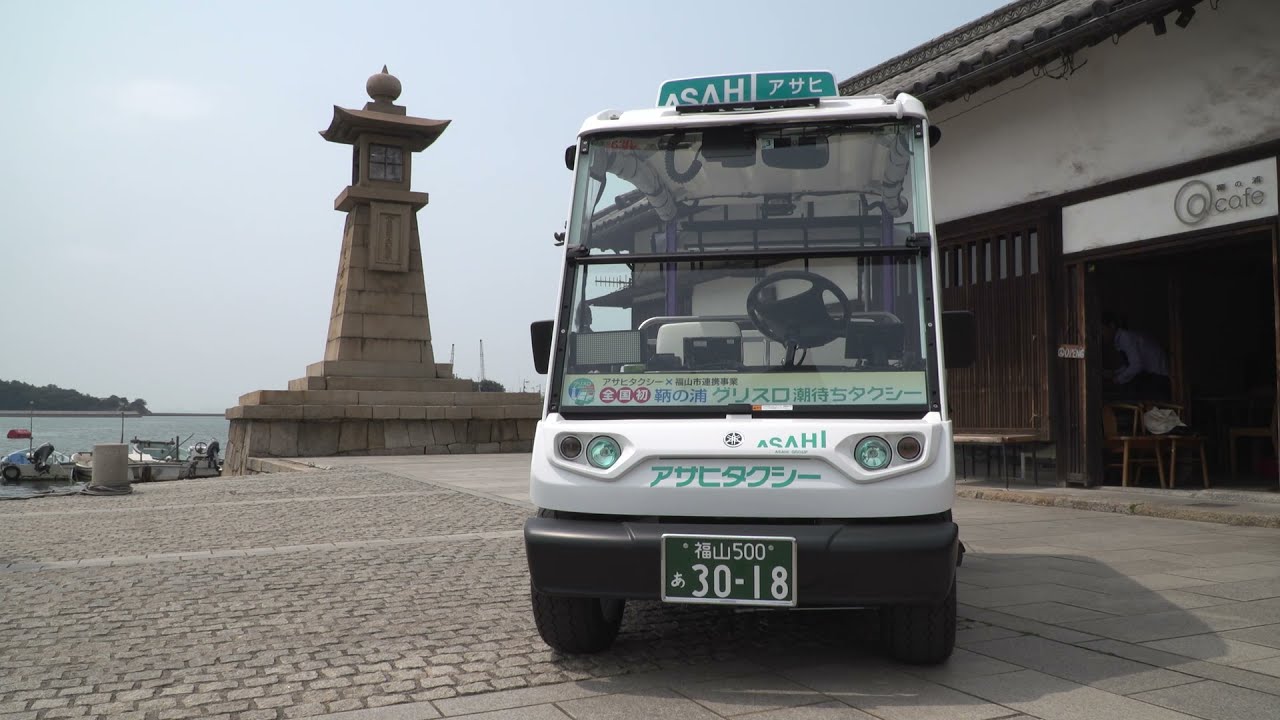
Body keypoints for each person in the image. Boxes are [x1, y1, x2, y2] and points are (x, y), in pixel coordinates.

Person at [1101, 312, 1171, 402]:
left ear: (1111, 326)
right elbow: (1130, 364)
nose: (1101, 335)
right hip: (1152, 378)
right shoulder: (1120, 340)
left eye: (1102, 330)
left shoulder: (1125, 337)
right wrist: (1115, 372)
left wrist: (1118, 379)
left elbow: (1136, 365)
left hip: (1158, 379)